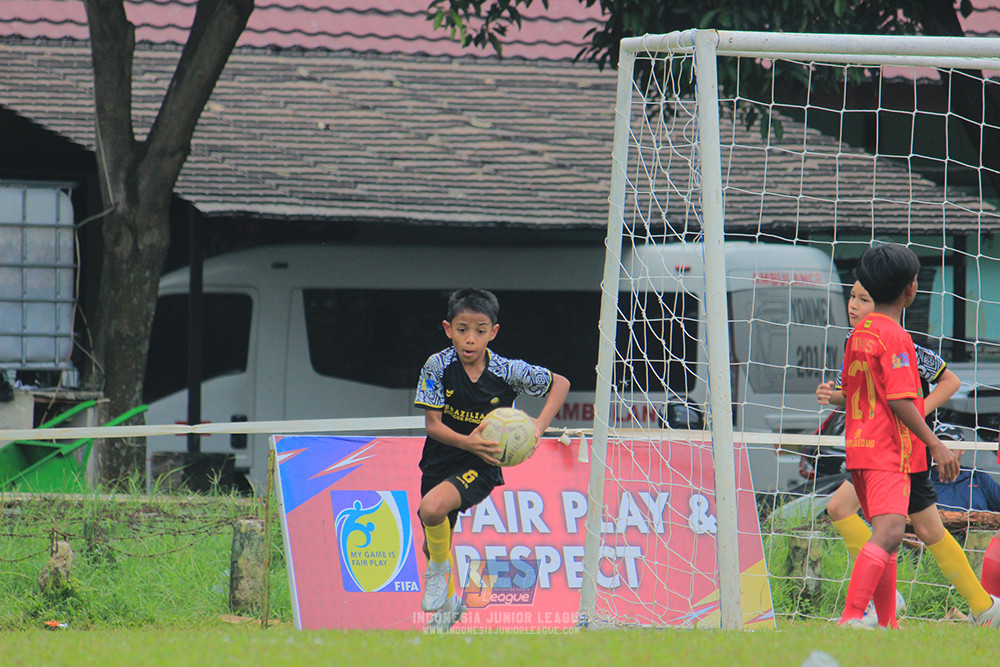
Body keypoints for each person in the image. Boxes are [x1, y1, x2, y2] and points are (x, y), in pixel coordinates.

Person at [816, 279, 1000, 626]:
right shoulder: (855, 341)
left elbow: (950, 382)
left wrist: (921, 412)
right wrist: (833, 394)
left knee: (883, 523)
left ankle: (877, 605)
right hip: (879, 448)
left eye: (864, 299)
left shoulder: (906, 346)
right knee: (913, 526)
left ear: (884, 300)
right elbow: (857, 393)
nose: (854, 305)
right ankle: (980, 607)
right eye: (852, 297)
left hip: (900, 450)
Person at [413, 288, 570, 633]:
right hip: (441, 459)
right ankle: (450, 606)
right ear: (447, 328)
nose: (470, 339)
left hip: (482, 462)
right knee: (432, 542)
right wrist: (468, 441)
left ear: (493, 332)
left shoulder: (507, 370)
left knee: (431, 508)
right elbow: (433, 426)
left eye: (480, 330)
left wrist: (539, 427)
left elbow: (560, 383)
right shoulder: (437, 365)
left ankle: (438, 577)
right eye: (462, 329)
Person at [836, 243, 963, 629]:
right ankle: (852, 617)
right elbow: (900, 400)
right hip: (887, 452)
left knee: (884, 534)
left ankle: (888, 622)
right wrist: (936, 444)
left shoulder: (860, 333)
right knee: (891, 532)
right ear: (912, 289)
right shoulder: (895, 337)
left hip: (860, 449)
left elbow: (856, 394)